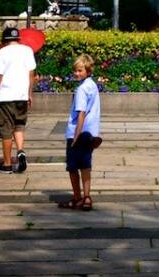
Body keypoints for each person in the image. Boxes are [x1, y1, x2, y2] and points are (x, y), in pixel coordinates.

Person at [0, 26, 36, 173]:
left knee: (6, 130)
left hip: (6, 96)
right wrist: (29, 94)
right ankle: (20, 151)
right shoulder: (27, 50)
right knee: (19, 125)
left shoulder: (2, 52)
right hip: (22, 95)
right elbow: (31, 74)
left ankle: (7, 164)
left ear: (4, 40)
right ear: (17, 39)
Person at [57, 53, 101, 211]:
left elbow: (81, 113)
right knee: (86, 166)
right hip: (91, 133)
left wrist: (75, 137)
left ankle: (77, 198)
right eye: (75, 70)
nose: (77, 73)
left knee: (73, 167)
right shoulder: (93, 85)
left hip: (78, 133)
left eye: (80, 70)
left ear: (88, 71)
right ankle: (87, 197)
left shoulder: (82, 89)